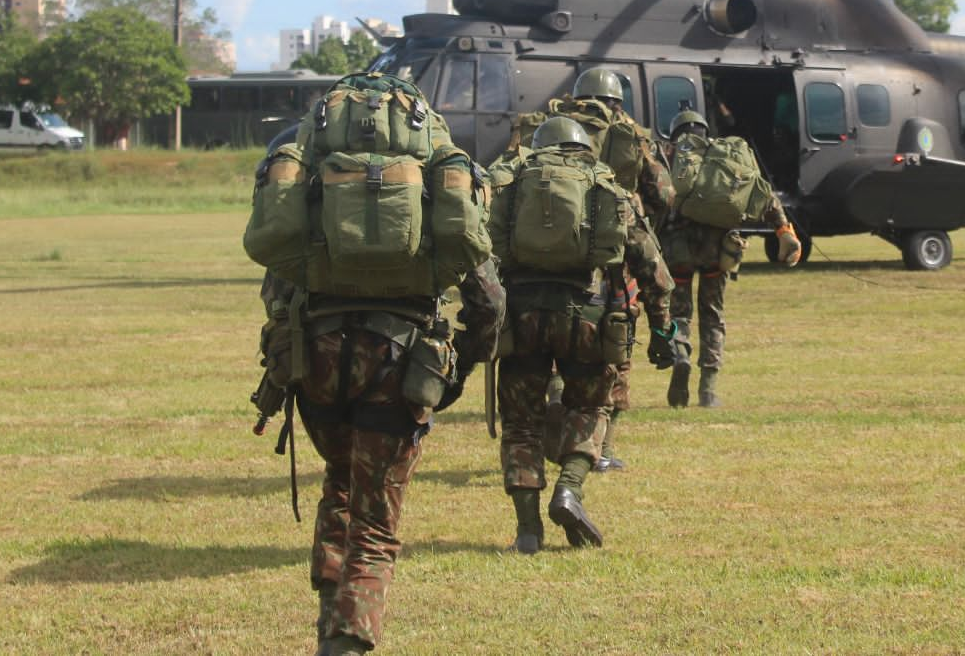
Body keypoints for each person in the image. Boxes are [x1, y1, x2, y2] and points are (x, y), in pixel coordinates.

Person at [246, 82, 503, 656]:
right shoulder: (439, 185)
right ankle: (347, 642)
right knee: (376, 523)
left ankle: (326, 629)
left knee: (340, 484)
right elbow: (488, 303)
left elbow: (275, 286)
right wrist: (456, 372)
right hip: (400, 361)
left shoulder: (315, 179)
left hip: (316, 359)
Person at [489, 117, 676, 553]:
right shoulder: (608, 188)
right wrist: (663, 328)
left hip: (522, 318)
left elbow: (480, 248)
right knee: (590, 407)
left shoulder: (511, 185)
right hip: (590, 315)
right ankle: (569, 489)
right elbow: (651, 264)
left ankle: (527, 530)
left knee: (521, 423)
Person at [539, 68, 674, 472]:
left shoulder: (549, 123)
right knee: (616, 347)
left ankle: (558, 411)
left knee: (553, 345)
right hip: (614, 260)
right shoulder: (630, 132)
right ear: (618, 100)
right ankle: (602, 448)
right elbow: (665, 194)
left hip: (548, 256)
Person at [660, 109, 801, 408]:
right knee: (712, 316)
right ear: (704, 129)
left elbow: (652, 196)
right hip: (719, 251)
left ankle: (680, 356)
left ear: (676, 132)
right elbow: (761, 193)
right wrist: (783, 229)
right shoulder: (726, 155)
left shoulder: (669, 155)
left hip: (678, 251)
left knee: (678, 313)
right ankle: (708, 390)